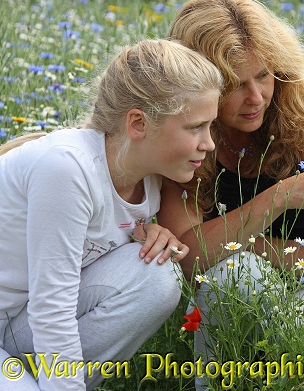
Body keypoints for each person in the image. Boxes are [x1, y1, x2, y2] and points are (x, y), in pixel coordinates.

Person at [158, 0, 304, 389]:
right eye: (234, 85)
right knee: (231, 278)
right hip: (230, 295)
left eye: (263, 75)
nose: (256, 98)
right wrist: (276, 200)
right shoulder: (186, 126)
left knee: (231, 270)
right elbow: (184, 261)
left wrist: (243, 241)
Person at [0, 39, 223, 390]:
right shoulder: (67, 168)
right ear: (137, 123)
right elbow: (52, 308)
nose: (208, 143)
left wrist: (146, 232)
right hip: (36, 317)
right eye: (196, 127)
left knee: (156, 276)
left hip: (20, 324)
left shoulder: (148, 181)